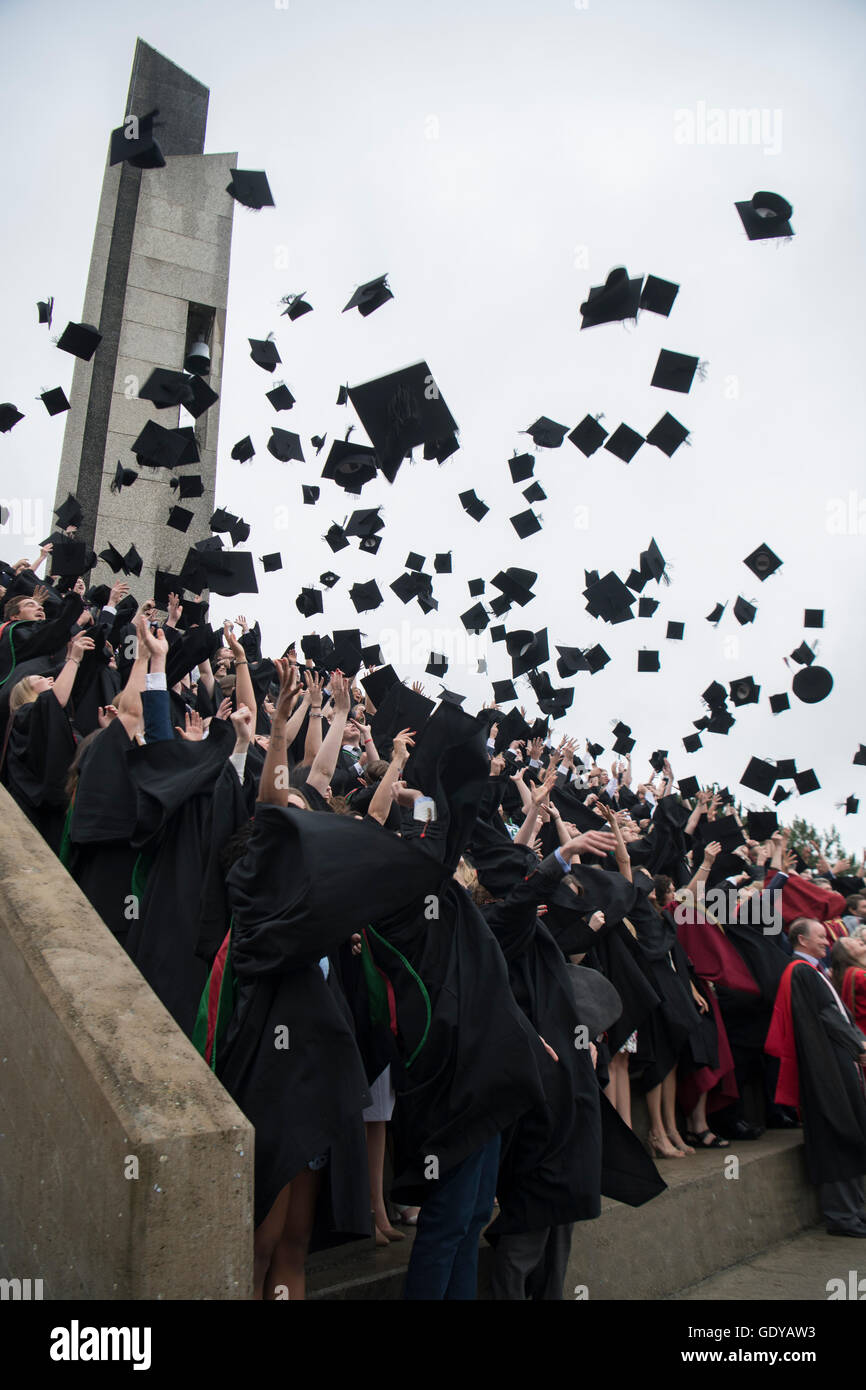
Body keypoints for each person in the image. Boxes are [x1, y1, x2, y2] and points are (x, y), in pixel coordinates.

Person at [765, 917, 866, 1236]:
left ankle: (856, 1210)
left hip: (837, 1063)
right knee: (836, 1137)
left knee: (848, 1133)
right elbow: (826, 1017)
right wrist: (858, 1044)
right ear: (801, 940)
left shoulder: (812, 972)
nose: (828, 941)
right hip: (826, 1070)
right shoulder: (801, 972)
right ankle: (843, 1216)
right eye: (821, 937)